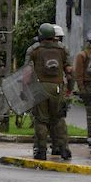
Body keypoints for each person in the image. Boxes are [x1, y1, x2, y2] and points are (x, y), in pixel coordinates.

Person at [28, 23, 72, 160]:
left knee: (41, 120)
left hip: (39, 87)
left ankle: (41, 151)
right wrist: (70, 88)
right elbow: (70, 71)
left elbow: (26, 73)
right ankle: (64, 149)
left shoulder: (33, 50)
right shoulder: (63, 49)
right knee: (58, 118)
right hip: (57, 88)